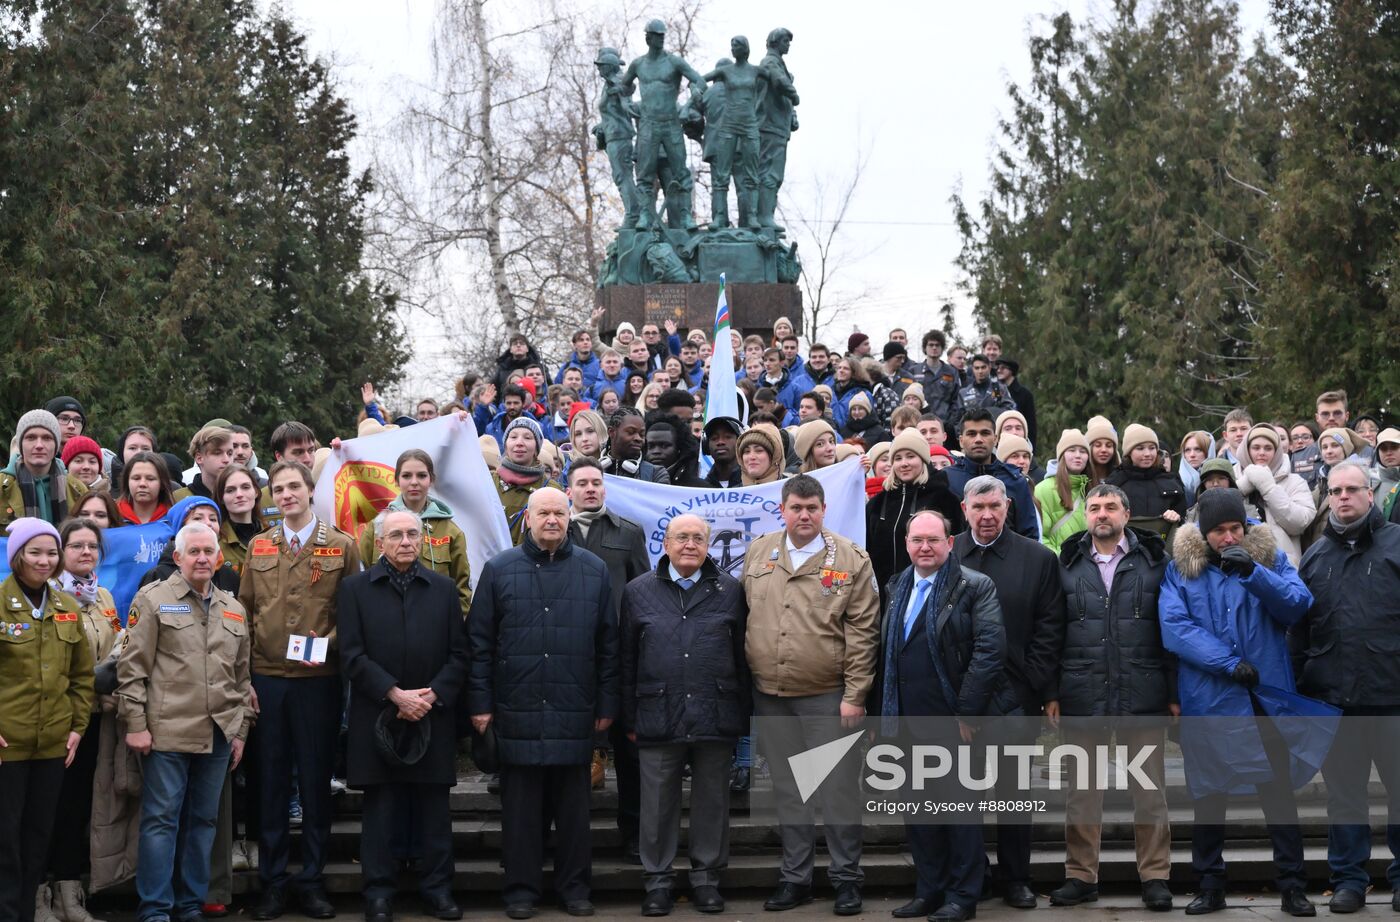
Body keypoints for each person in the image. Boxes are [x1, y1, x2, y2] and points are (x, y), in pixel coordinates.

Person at [1157, 488, 1316, 917]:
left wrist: (1255, 576)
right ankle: (1209, 886)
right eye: (1219, 531)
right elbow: (1175, 628)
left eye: (1236, 529)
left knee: (1278, 796)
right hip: (1210, 701)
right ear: (1203, 533)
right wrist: (1227, 663)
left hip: (1264, 700)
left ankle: (1292, 886)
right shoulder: (1181, 571)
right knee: (1209, 797)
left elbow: (1298, 605)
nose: (1229, 538)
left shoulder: (1268, 559)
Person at [467, 488, 618, 919]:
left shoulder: (594, 570)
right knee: (520, 814)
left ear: (569, 517)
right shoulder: (499, 570)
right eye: (543, 513)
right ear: (527, 519)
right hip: (516, 708)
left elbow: (609, 646)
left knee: (573, 815)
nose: (551, 519)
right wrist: (480, 703)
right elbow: (478, 643)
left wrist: (607, 705)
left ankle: (574, 890)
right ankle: (520, 891)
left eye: (558, 512)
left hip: (575, 709)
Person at [742, 475, 880, 915]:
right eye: (796, 508)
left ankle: (845, 879)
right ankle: (795, 878)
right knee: (789, 789)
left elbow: (863, 631)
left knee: (838, 789)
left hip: (828, 697)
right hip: (770, 694)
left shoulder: (851, 560)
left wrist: (855, 695)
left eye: (812, 508)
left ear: (824, 510)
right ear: (782, 509)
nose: (804, 516)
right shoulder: (760, 551)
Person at [869, 510, 1016, 922]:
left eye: (934, 540)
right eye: (917, 540)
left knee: (959, 815)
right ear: (907, 544)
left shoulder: (974, 586)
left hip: (955, 720)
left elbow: (989, 651)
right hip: (905, 720)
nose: (925, 547)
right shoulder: (897, 585)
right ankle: (928, 891)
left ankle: (963, 897)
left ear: (950, 543)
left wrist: (967, 711)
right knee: (918, 814)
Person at [238, 461, 361, 921]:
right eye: (278, 488)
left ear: (311, 491)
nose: (286, 494)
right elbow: (244, 613)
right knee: (269, 784)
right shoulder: (260, 545)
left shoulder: (342, 547)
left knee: (313, 782)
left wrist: (324, 648)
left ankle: (311, 880)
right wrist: (245, 677)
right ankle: (272, 884)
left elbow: (352, 616)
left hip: (318, 683)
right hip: (267, 680)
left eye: (294, 487)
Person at [1045, 485, 1174, 911]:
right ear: (1086, 513)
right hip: (1082, 690)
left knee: (1149, 790)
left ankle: (1155, 877)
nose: (1102, 514)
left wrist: (1173, 692)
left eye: (1111, 507)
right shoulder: (1066, 564)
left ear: (1127, 513)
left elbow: (1171, 631)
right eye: (1095, 507)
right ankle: (1081, 876)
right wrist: (1051, 692)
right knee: (1082, 791)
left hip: (1143, 688)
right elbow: (1051, 632)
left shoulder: (1155, 561)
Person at [338, 509, 469, 922]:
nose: (407, 542)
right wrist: (394, 694)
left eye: (414, 534)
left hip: (432, 714)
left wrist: (431, 695)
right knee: (381, 810)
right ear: (379, 543)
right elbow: (351, 655)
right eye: (396, 535)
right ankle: (378, 892)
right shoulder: (355, 589)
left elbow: (460, 654)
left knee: (434, 809)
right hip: (378, 714)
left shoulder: (444, 589)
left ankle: (437, 889)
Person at [117, 522, 252, 922]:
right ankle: (156, 909)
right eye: (193, 551)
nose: (201, 558)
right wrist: (136, 724)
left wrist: (240, 730)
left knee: (204, 822)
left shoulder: (234, 607)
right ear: (177, 557)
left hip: (218, 733)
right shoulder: (153, 599)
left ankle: (190, 904)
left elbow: (242, 678)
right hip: (167, 732)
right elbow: (131, 669)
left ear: (218, 557)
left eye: (208, 551)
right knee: (161, 821)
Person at [619, 514, 750, 916]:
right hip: (656, 711)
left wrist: (742, 716)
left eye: (697, 538)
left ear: (708, 545)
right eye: (682, 537)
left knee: (712, 802)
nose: (690, 544)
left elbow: (744, 657)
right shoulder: (637, 591)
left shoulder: (730, 590)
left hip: (716, 710)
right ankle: (657, 882)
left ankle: (707, 880)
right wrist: (629, 718)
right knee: (656, 805)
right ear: (666, 544)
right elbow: (626, 658)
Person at [952, 475, 1064, 908]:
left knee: (1014, 793)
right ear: (964, 510)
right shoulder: (947, 555)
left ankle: (1017, 878)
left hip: (1016, 699)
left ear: (1007, 508)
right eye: (977, 508)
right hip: (958, 700)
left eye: (994, 507)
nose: (986, 515)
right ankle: (973, 875)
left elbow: (1050, 629)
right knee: (962, 795)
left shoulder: (1037, 558)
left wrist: (1031, 685)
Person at [1294, 462, 1400, 912]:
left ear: (1371, 493)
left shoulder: (1397, 545)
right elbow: (1299, 632)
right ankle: (1349, 881)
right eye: (1335, 490)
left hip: (1392, 694)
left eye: (1352, 489)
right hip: (1334, 700)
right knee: (1344, 797)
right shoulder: (1315, 557)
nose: (1342, 497)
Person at [0, 519, 94, 922]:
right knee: (6, 841)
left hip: (54, 745)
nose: (45, 560)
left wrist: (77, 727)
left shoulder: (66, 609)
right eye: (35, 552)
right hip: (9, 746)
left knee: (38, 839)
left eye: (51, 553)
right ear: (17, 556)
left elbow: (82, 677)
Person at [565, 459, 649, 855]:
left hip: (620, 659)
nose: (590, 489)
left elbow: (645, 595)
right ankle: (570, 839)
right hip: (570, 661)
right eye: (582, 483)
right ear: (569, 491)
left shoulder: (628, 533)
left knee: (630, 754)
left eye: (596, 483)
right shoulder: (552, 528)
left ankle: (633, 834)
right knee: (571, 754)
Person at [41, 519, 117, 922]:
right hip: (55, 721)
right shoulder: (48, 596)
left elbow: (116, 640)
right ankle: (39, 896)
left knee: (76, 810)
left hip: (93, 720)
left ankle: (70, 895)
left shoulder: (103, 595)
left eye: (92, 546)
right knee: (44, 812)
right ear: (61, 552)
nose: (86, 553)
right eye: (76, 546)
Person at [356, 450, 472, 615]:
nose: (414, 482)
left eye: (422, 475)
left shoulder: (451, 532)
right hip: (385, 620)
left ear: (431, 480)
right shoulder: (375, 528)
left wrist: (454, 626)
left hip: (435, 622)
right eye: (407, 476)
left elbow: (462, 589)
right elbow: (362, 580)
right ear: (396, 480)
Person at [866, 429, 965, 595]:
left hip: (933, 594)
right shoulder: (877, 504)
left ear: (924, 460)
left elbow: (956, 550)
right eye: (898, 458)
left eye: (910, 456)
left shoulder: (945, 499)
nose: (904, 463)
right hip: (883, 597)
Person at [944, 408, 1040, 539]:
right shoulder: (947, 480)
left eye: (985, 433)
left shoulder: (1015, 480)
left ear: (995, 439)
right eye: (972, 434)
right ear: (961, 440)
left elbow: (1029, 535)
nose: (978, 439)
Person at [1234, 424, 1316, 566]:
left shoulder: (1295, 482)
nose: (1262, 452)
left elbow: (1300, 522)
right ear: (1247, 450)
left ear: (1276, 451)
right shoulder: (1231, 478)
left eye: (1268, 448)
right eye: (1256, 447)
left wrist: (1269, 488)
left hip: (1282, 567)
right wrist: (1239, 489)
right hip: (1238, 565)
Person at [1, 410, 88, 527]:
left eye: (47, 438)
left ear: (56, 445)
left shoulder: (78, 490)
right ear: (21, 444)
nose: (39, 445)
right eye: (31, 437)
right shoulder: (3, 487)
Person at [1106, 425, 1187, 540]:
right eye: (1140, 448)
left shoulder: (1171, 482)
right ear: (1129, 452)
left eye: (1152, 448)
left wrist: (1177, 517)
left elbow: (1183, 522)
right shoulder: (1114, 483)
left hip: (1163, 551)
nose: (1148, 453)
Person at [493, 417, 565, 545]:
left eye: (527, 437)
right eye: (513, 437)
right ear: (506, 444)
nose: (519, 443)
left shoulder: (551, 488)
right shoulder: (489, 481)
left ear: (537, 448)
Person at [1033, 429, 1091, 554]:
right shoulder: (1044, 490)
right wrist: (1062, 559)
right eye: (1071, 450)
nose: (1078, 455)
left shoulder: (1092, 488)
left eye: (1083, 451)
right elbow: (1039, 536)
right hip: (1058, 566)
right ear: (1061, 455)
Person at [215, 465, 265, 577]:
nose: (239, 495)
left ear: (256, 492)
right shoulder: (214, 542)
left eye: (246, 487)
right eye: (230, 490)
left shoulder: (275, 538)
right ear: (221, 497)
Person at [601, 408, 670, 484]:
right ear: (611, 432)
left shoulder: (656, 474)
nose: (638, 438)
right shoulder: (590, 469)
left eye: (642, 434)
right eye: (631, 432)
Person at [912, 331, 963, 427]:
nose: (934, 348)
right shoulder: (914, 371)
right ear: (925, 348)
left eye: (937, 345)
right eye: (931, 345)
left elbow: (956, 401)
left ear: (942, 348)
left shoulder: (951, 372)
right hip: (919, 423)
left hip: (945, 425)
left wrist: (951, 423)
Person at [173, 427, 235, 501]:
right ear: (199, 458)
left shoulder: (241, 495)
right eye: (217, 453)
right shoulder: (179, 498)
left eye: (230, 453)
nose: (226, 460)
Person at [115, 452, 174, 526]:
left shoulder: (175, 519)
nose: (142, 484)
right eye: (136, 478)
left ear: (162, 483)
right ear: (127, 482)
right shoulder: (112, 517)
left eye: (150, 479)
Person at [644, 415, 704, 486]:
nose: (656, 451)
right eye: (650, 446)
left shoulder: (697, 486)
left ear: (678, 448)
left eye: (664, 446)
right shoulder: (635, 479)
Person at [958, 354, 1016, 424]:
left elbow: (1010, 410)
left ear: (989, 367)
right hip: (973, 431)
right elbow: (958, 420)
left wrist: (992, 411)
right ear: (972, 369)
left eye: (983, 367)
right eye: (977, 368)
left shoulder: (999, 388)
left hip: (995, 429)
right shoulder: (964, 393)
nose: (980, 371)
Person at [994, 358, 1036, 448]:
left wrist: (1031, 447)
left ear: (1011, 370)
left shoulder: (1025, 394)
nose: (999, 370)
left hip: (1020, 440)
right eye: (998, 368)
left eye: (1003, 368)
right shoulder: (996, 391)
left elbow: (1031, 424)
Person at [702, 418, 744, 488]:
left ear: (740, 443)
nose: (720, 442)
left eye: (728, 437)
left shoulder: (754, 484)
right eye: (714, 438)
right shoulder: (699, 488)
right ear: (706, 446)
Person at [1178, 431, 1215, 504]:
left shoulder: (1219, 480)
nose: (1192, 455)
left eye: (1198, 449)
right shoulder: (1176, 483)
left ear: (1208, 452)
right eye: (1187, 450)